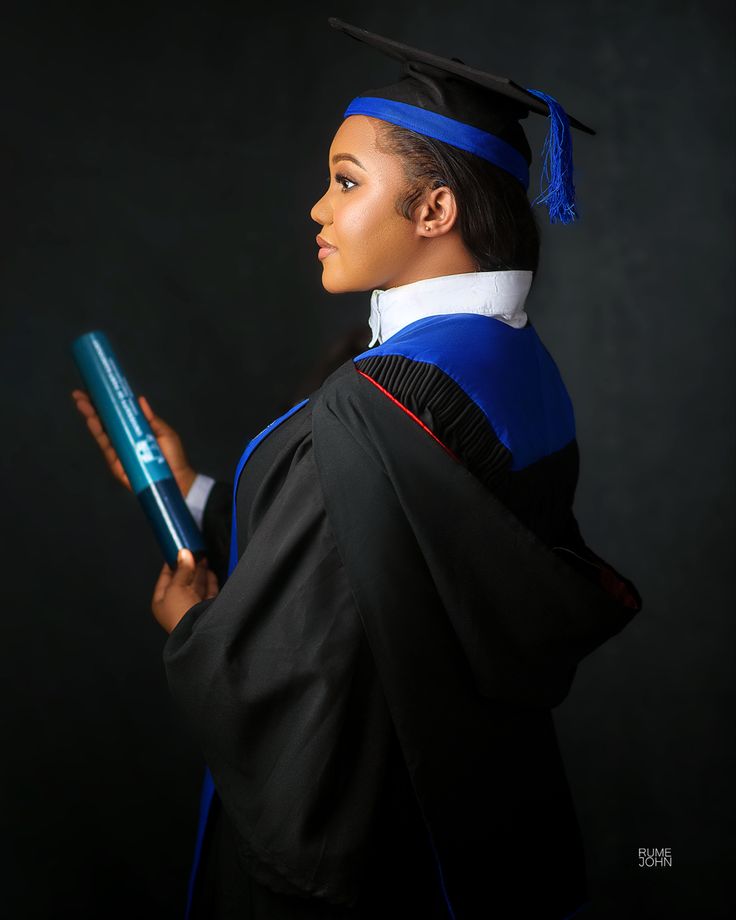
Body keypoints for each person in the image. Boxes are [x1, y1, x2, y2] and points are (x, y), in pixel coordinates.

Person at [72, 19, 642, 920]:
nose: (317, 208)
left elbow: (298, 675)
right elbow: (395, 558)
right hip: (475, 821)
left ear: (434, 210)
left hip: (374, 845)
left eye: (345, 182)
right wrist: (188, 492)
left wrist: (197, 628)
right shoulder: (515, 364)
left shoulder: (374, 402)